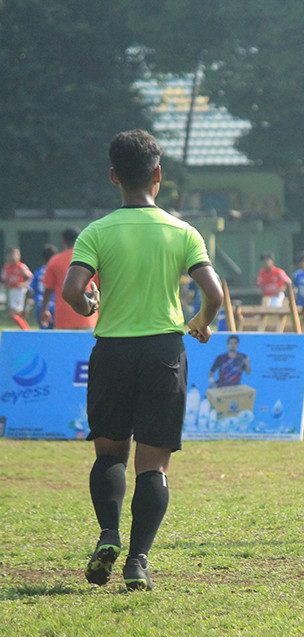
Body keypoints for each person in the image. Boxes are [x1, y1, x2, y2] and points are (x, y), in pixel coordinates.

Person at [64, 129, 223, 591]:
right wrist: (199, 322)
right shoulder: (182, 231)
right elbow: (213, 293)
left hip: (112, 350)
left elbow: (73, 290)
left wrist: (90, 306)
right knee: (153, 463)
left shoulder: (97, 231)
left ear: (114, 176)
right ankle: (138, 562)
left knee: (110, 451)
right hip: (164, 353)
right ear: (158, 175)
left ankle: (108, 534)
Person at [41, 227, 99, 330]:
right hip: (88, 315)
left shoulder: (55, 260)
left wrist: (45, 310)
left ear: (63, 241)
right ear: (80, 238)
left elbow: (48, 289)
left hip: (63, 318)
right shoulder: (90, 258)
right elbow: (99, 287)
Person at [2, 247, 32, 326]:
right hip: (11, 292)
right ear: (8, 256)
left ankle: (25, 329)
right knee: (17, 314)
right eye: (11, 255)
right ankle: (24, 328)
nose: (13, 257)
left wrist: (24, 284)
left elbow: (30, 277)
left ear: (19, 256)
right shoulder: (6, 267)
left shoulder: (21, 266)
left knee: (12, 314)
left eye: (15, 255)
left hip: (19, 291)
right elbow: (4, 280)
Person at [30, 244, 58, 329]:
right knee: (59, 333)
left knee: (44, 333)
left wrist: (25, 307)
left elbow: (30, 289)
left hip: (41, 304)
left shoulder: (38, 272)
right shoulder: (57, 271)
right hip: (55, 304)